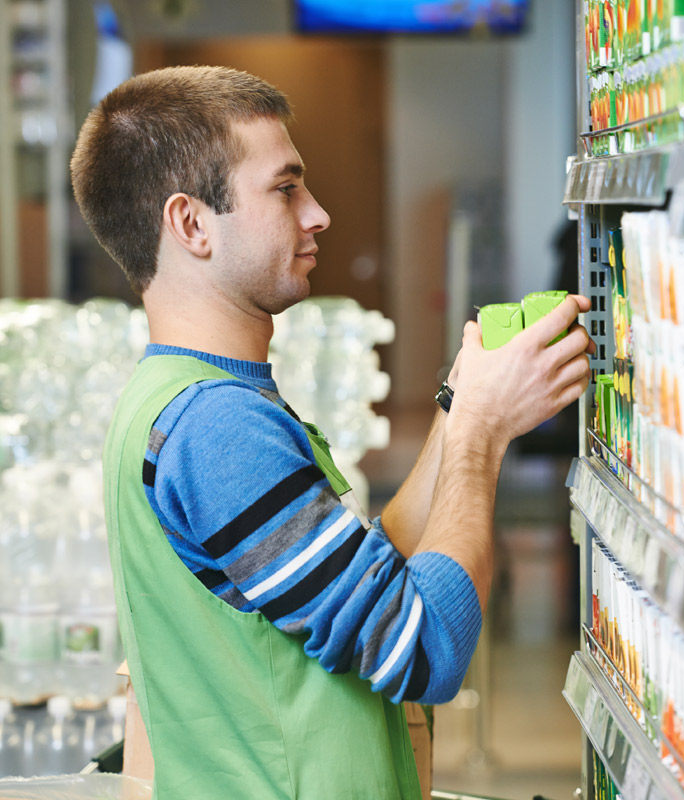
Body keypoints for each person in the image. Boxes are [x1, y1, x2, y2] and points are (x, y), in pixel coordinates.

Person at [70, 65, 594, 800]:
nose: (316, 214)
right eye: (285, 189)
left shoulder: (185, 395)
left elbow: (371, 573)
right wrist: (481, 429)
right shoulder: (217, 428)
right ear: (191, 224)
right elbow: (424, 648)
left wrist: (460, 402)